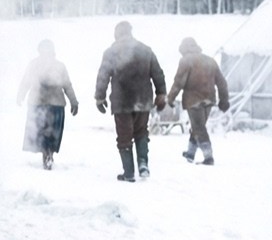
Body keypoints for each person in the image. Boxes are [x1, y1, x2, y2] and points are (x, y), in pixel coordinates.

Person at [94, 20, 167, 182]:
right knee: (141, 132)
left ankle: (128, 173)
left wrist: (100, 97)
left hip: (122, 102)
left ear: (117, 34)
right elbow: (158, 73)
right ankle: (143, 165)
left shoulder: (111, 52)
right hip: (143, 100)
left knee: (124, 136)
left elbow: (103, 75)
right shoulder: (145, 50)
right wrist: (161, 94)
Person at [16, 39, 79, 169]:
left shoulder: (36, 64)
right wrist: (73, 101)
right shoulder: (57, 66)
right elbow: (67, 85)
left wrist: (20, 95)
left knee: (43, 133)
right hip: (52, 105)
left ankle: (47, 156)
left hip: (40, 104)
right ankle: (48, 156)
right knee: (50, 133)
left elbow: (26, 82)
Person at [166, 36, 230, 165]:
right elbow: (222, 82)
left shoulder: (186, 60)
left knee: (199, 127)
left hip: (193, 100)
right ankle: (190, 153)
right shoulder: (210, 60)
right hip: (209, 99)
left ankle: (208, 157)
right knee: (198, 126)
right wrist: (224, 100)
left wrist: (171, 98)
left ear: (184, 49)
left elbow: (179, 82)